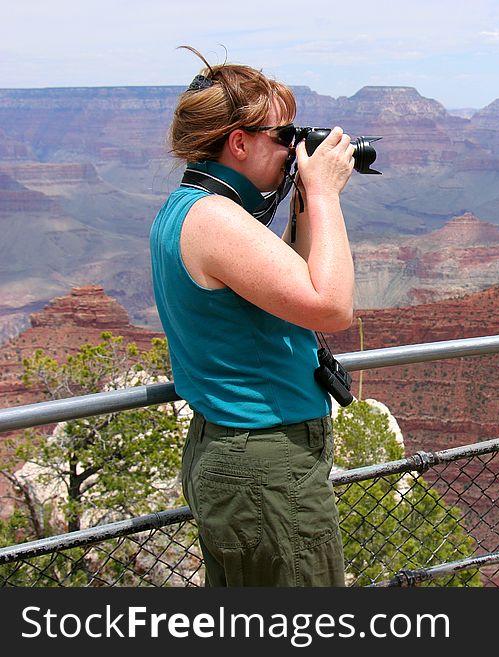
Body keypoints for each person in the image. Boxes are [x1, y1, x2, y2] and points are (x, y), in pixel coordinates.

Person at [150, 46, 355, 586]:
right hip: (263, 468)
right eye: (284, 137)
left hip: (245, 460)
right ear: (238, 142)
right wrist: (325, 194)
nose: (294, 150)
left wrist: (306, 200)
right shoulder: (215, 219)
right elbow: (332, 306)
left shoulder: (190, 207)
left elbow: (296, 277)